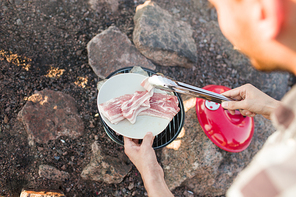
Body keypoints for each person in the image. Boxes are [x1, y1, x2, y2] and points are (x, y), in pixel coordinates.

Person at [124, 0, 296, 196]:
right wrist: (272, 107)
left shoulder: (275, 179)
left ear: (264, 13)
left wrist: (152, 175)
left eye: (217, 9)